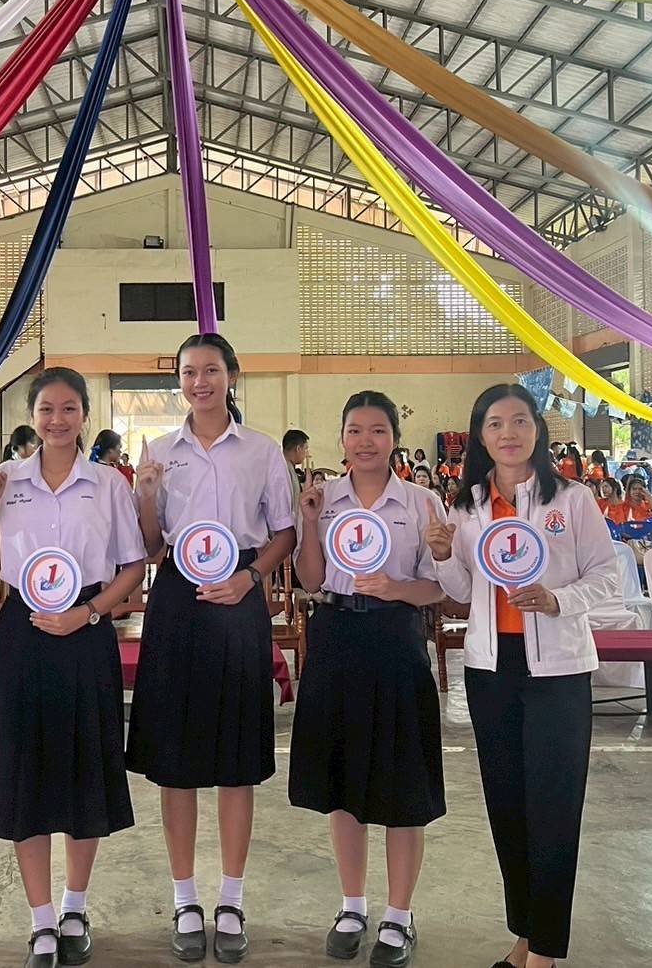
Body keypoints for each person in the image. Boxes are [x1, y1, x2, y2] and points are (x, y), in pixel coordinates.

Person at [427, 383, 616, 968]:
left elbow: (607, 576)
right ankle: (526, 938)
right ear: (480, 436)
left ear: (537, 429)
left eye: (519, 421)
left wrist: (558, 600)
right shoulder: (466, 506)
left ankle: (545, 954)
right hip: (490, 670)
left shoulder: (572, 500)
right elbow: (462, 592)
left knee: (554, 807)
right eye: (494, 424)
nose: (508, 433)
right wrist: (443, 555)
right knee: (508, 808)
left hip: (558, 671)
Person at [126, 333, 297, 964]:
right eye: (189, 372)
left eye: (211, 370)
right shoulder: (158, 452)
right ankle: (185, 900)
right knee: (175, 757)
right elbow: (150, 546)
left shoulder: (261, 450)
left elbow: (284, 533)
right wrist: (146, 497)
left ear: (232, 376)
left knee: (236, 755)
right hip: (178, 599)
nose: (200, 382)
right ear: (179, 381)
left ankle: (230, 900)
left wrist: (250, 578)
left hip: (238, 596)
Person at [0, 368, 148, 968]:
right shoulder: (8, 480)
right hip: (22, 633)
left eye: (69, 408)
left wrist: (90, 614)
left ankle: (75, 907)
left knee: (83, 766)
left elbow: (133, 566)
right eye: (46, 409)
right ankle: (41, 920)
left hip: (85, 633)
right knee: (25, 769)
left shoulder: (108, 484)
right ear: (33, 416)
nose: (57, 419)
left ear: (84, 415)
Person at [291, 391, 447, 967]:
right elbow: (310, 580)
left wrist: (396, 588)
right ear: (341, 439)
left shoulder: (422, 502)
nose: (365, 441)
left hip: (396, 638)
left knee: (403, 782)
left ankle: (399, 915)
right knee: (343, 778)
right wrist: (310, 523)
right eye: (354, 430)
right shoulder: (323, 498)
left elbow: (440, 586)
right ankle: (352, 905)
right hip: (335, 637)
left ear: (394, 440)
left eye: (377, 430)